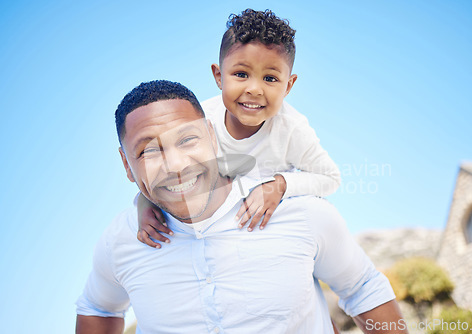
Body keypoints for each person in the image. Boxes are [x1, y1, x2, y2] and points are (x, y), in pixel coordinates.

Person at [76, 80, 408, 334]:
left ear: (210, 134)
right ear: (126, 164)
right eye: (149, 151)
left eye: (187, 140)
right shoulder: (120, 242)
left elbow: (363, 288)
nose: (175, 165)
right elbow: (98, 308)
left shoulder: (301, 214)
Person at [137, 9, 342, 248]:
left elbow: (330, 178)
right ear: (219, 76)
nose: (254, 89)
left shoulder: (291, 129)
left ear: (288, 85)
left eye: (270, 78)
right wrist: (144, 204)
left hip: (267, 234)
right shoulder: (201, 122)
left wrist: (279, 185)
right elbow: (171, 170)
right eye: (241, 74)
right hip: (217, 233)